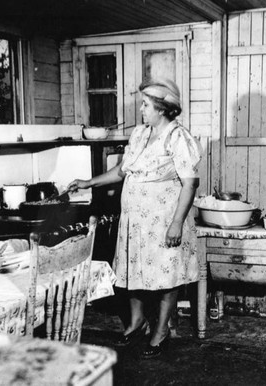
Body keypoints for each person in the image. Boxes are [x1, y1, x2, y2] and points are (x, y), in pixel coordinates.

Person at [67, 78, 202, 358]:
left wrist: (177, 222)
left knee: (167, 276)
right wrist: (88, 182)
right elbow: (121, 171)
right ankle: (137, 321)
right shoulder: (140, 134)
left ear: (162, 109)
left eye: (145, 105)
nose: (141, 109)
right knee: (133, 271)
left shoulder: (178, 137)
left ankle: (161, 330)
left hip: (164, 220)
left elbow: (190, 184)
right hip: (136, 221)